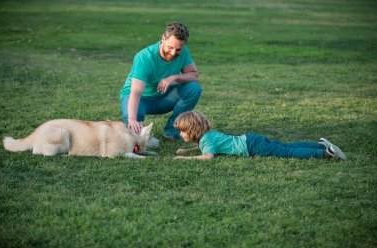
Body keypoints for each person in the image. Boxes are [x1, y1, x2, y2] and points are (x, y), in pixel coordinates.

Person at [120, 23, 202, 140]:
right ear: (163, 38)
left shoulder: (183, 51)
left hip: (163, 97)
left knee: (194, 88)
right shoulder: (144, 57)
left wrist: (173, 77)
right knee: (133, 129)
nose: (173, 53)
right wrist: (132, 120)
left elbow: (194, 75)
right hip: (140, 98)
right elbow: (136, 93)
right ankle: (135, 130)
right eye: (170, 47)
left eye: (178, 49)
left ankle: (172, 131)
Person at [173, 111, 347, 160]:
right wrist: (187, 149)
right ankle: (319, 145)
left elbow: (208, 155)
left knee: (286, 152)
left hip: (252, 147)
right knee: (284, 146)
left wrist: (186, 158)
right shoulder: (207, 136)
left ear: (193, 130)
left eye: (183, 130)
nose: (180, 134)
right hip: (250, 139)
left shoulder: (207, 140)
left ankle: (325, 153)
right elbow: (206, 147)